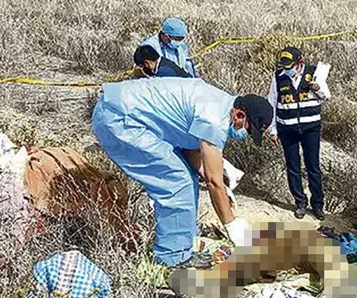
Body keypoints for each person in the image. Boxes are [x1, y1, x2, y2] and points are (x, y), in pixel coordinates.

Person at [92, 77, 273, 274]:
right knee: (176, 182)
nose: (243, 135)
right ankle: (172, 259)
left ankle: (183, 242)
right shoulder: (214, 120)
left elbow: (191, 153)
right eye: (247, 129)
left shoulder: (219, 103)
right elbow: (214, 181)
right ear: (239, 114)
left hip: (124, 112)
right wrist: (232, 225)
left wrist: (219, 185)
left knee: (188, 175)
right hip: (120, 119)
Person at [267, 46, 331, 220]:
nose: (287, 69)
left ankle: (317, 204)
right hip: (287, 128)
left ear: (299, 62)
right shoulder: (278, 77)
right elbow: (272, 103)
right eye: (284, 66)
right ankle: (300, 203)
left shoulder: (314, 73)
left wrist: (317, 88)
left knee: (313, 167)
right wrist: (273, 130)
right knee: (293, 167)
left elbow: (326, 96)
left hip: (311, 128)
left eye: (290, 66)